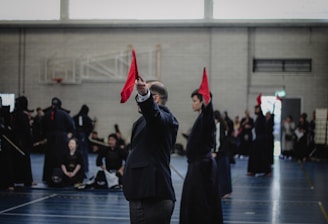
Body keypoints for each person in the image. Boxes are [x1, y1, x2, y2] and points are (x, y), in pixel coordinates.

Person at [122, 78, 179, 224]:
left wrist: (144, 94)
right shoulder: (140, 122)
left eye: (140, 97)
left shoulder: (166, 118)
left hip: (152, 198)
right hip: (140, 193)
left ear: (156, 98)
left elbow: (155, 116)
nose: (138, 101)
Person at [180, 90, 223, 224]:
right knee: (193, 202)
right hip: (196, 166)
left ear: (202, 102)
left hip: (202, 167)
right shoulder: (201, 118)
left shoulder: (207, 117)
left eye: (195, 101)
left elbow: (209, 112)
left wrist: (208, 101)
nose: (192, 104)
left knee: (201, 203)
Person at [42, 97, 75, 185]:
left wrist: (46, 135)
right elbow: (72, 126)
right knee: (61, 158)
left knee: (50, 158)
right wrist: (69, 134)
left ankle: (49, 177)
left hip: (50, 139)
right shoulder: (64, 114)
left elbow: (40, 127)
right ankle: (62, 176)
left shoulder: (47, 114)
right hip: (62, 139)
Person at [11, 96, 36, 186]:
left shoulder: (12, 114)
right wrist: (30, 142)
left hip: (14, 141)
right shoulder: (23, 115)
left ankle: (15, 179)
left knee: (14, 161)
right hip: (23, 142)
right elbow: (26, 131)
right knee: (25, 162)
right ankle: (27, 181)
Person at [247, 105, 272, 176]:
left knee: (263, 156)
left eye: (256, 109)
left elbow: (264, 129)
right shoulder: (258, 118)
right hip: (257, 139)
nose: (255, 110)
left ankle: (266, 171)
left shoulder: (262, 118)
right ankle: (253, 170)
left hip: (261, 140)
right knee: (255, 155)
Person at [214, 110, 232, 199]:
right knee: (225, 173)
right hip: (225, 153)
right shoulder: (223, 125)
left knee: (221, 173)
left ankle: (223, 191)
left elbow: (219, 140)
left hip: (221, 153)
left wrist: (216, 152)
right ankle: (226, 191)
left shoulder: (219, 126)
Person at [73, 104, 94, 175]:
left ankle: (76, 167)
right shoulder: (87, 118)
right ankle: (84, 168)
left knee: (75, 151)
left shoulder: (75, 117)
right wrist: (86, 134)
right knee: (84, 152)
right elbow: (90, 127)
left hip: (76, 136)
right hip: (83, 136)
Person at [0, 96, 15, 190]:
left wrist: (4, 130)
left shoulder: (5, 113)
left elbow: (9, 128)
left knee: (5, 162)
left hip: (4, 142)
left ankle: (8, 182)